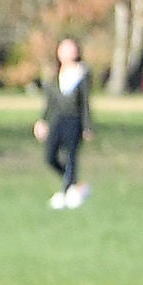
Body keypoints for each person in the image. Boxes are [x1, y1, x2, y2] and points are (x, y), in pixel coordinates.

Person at [34, 38, 91, 209]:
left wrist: (88, 126)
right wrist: (42, 120)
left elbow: (86, 103)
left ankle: (67, 192)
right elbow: (49, 102)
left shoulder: (82, 74)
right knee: (50, 157)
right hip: (58, 120)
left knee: (71, 157)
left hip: (74, 121)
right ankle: (76, 185)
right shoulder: (54, 74)